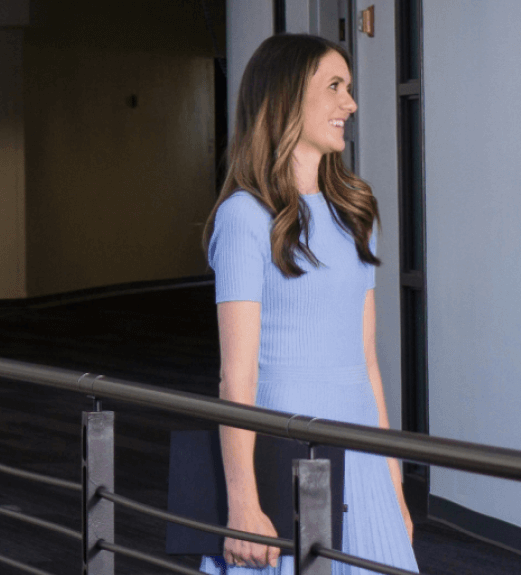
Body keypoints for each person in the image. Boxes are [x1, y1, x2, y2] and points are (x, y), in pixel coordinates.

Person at [199, 33, 419, 574]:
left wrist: (393, 482)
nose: (351, 103)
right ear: (286, 98)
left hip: (360, 449)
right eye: (335, 87)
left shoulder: (356, 212)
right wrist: (242, 503)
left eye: (349, 87)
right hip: (281, 449)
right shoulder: (243, 217)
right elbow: (236, 377)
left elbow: (367, 361)